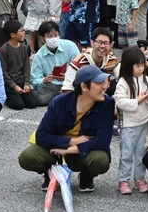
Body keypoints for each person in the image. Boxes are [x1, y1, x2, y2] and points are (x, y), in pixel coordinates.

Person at [18, 63, 115, 192]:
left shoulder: (106, 104)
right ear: (84, 87)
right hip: (56, 150)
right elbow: (42, 135)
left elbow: (102, 142)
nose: (105, 86)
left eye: (106, 82)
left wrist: (68, 150)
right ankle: (50, 172)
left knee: (100, 161)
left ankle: (87, 175)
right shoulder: (60, 103)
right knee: (27, 157)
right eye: (99, 83)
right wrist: (71, 141)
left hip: (81, 152)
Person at [114, 48, 148, 195]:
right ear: (127, 66)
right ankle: (124, 180)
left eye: (142, 65)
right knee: (127, 152)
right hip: (128, 124)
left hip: (145, 122)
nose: (141, 69)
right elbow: (119, 101)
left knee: (141, 152)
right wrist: (137, 100)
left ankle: (139, 178)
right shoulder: (123, 82)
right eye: (137, 66)